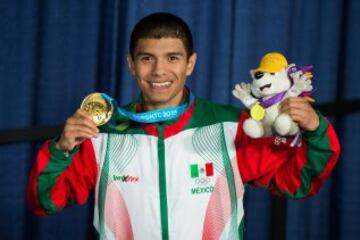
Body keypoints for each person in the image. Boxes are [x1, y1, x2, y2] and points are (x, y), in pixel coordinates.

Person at [27, 12, 340, 240]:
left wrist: (316, 130)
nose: (159, 71)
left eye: (173, 58)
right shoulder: (102, 134)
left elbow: (297, 182)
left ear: (190, 63)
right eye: (147, 58)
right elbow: (44, 201)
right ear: (131, 63)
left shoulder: (231, 127)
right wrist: (61, 150)